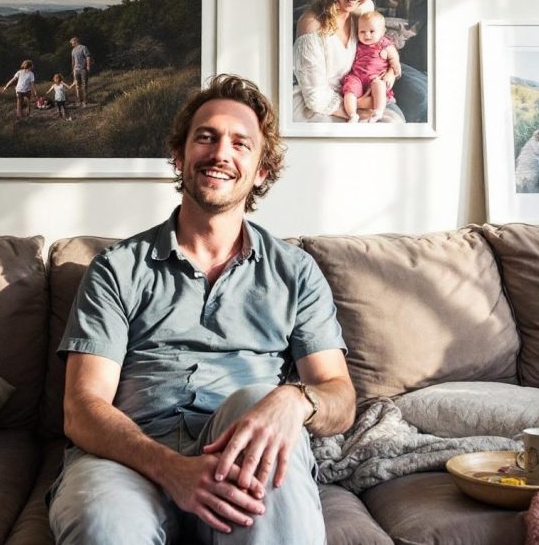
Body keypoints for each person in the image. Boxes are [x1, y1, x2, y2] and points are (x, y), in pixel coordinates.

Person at [48, 74, 355, 544]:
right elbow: (82, 409)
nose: (220, 153)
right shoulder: (117, 268)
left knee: (257, 398)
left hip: (242, 451)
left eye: (240, 143)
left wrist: (296, 400)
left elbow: (340, 397)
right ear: (180, 156)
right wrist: (173, 470)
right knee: (103, 524)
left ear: (262, 171)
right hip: (129, 458)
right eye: (206, 137)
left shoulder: (295, 272)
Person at [293, 0, 405, 123]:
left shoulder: (364, 9)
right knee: (389, 124)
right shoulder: (311, 24)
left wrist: (390, 72)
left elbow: (378, 46)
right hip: (322, 104)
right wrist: (359, 104)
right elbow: (315, 97)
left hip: (357, 89)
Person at [339, 10, 402, 123]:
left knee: (379, 85)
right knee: (349, 91)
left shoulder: (384, 44)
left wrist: (393, 70)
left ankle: (378, 111)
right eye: (362, 31)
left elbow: (394, 58)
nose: (367, 35)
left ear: (382, 32)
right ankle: (352, 114)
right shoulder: (357, 43)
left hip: (375, 77)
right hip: (357, 76)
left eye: (372, 31)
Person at [70, 36, 92, 105]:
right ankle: (79, 101)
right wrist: (73, 69)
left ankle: (85, 101)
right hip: (76, 70)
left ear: (75, 41)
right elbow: (73, 61)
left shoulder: (83, 47)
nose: (72, 44)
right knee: (77, 86)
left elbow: (88, 57)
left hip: (83, 69)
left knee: (84, 86)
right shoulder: (73, 50)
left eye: (72, 42)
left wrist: (88, 66)